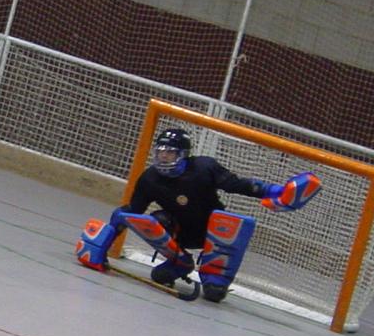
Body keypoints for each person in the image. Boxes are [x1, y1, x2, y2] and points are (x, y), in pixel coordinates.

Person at [76, 128, 321, 302]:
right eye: (160, 153)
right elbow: (133, 214)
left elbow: (238, 185)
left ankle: (212, 275)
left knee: (213, 294)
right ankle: (179, 261)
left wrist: (276, 191)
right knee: (154, 221)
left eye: (169, 153)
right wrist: (103, 245)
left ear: (183, 154)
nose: (163, 158)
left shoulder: (204, 168)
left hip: (212, 235)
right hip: (178, 234)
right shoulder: (150, 178)